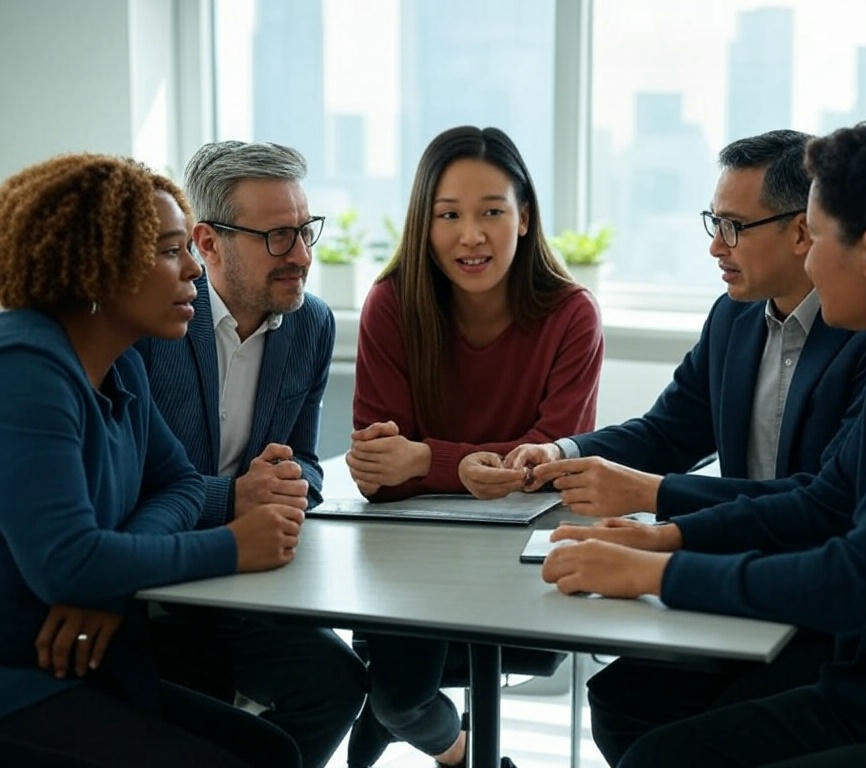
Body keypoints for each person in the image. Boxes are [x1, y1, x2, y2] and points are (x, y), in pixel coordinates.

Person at [543, 112, 866, 767]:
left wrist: (657, 572)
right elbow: (825, 501)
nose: (808, 254)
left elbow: (860, 575)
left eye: (818, 236)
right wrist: (667, 536)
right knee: (659, 752)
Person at [463, 129, 866, 764]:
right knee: (620, 698)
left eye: (735, 227)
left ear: (803, 231)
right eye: (714, 222)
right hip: (731, 578)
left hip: (816, 603)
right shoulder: (735, 316)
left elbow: (825, 500)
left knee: (676, 739)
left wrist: (652, 496)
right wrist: (558, 452)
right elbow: (668, 431)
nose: (716, 246)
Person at [0, 154, 302, 767]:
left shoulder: (122, 363)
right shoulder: (25, 370)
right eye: (169, 251)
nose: (194, 267)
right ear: (95, 265)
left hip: (82, 660)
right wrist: (236, 546)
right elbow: (66, 563)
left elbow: (182, 486)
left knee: (272, 753)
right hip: (17, 683)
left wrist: (109, 576)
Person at [346, 126, 603, 767]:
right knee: (402, 698)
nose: (471, 235)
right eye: (448, 215)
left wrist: (428, 460)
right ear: (423, 224)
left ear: (525, 218)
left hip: (523, 551)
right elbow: (380, 472)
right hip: (409, 555)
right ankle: (457, 749)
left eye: (492, 211)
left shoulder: (572, 315)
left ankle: (395, 710)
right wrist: (447, 464)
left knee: (396, 694)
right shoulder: (390, 305)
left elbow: (548, 462)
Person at [135, 140, 366, 768]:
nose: (302, 257)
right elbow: (125, 488)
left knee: (338, 682)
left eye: (306, 231)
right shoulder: (149, 325)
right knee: (205, 711)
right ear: (207, 242)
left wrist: (291, 481)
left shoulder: (312, 324)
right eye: (278, 237)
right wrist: (234, 496)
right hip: (154, 588)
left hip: (250, 581)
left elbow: (308, 462)